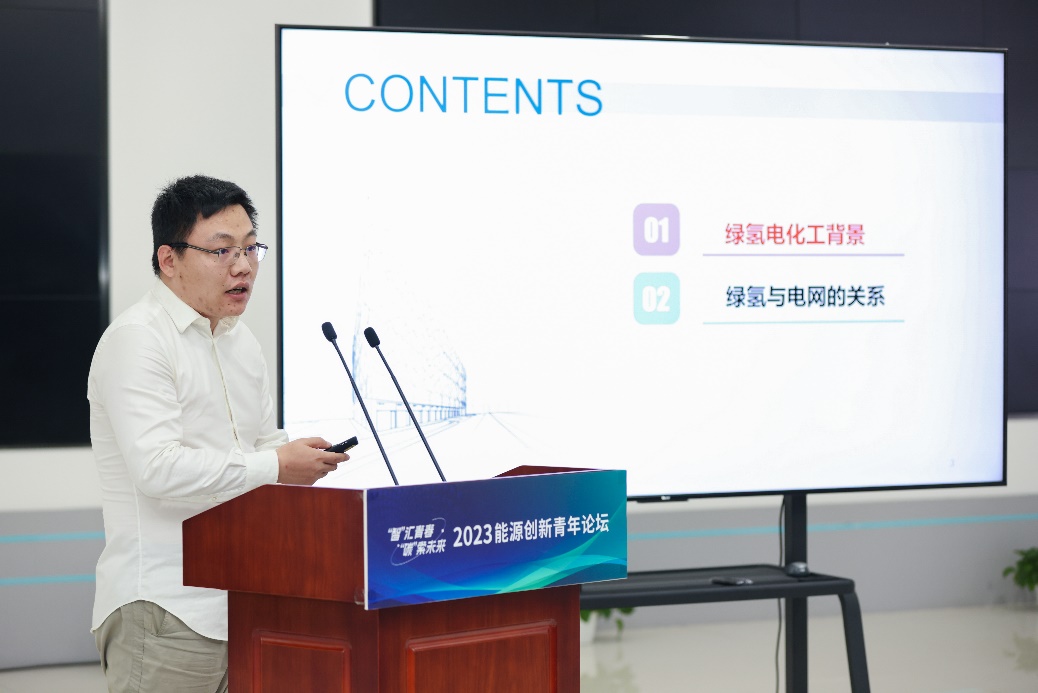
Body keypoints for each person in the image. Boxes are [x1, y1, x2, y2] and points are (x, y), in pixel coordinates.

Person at [87, 175, 350, 692]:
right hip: (164, 608)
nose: (243, 266)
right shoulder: (137, 341)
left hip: (244, 602)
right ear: (169, 259)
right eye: (222, 250)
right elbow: (158, 469)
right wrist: (277, 464)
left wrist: (296, 458)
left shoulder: (240, 341)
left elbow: (259, 445)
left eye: (251, 248)